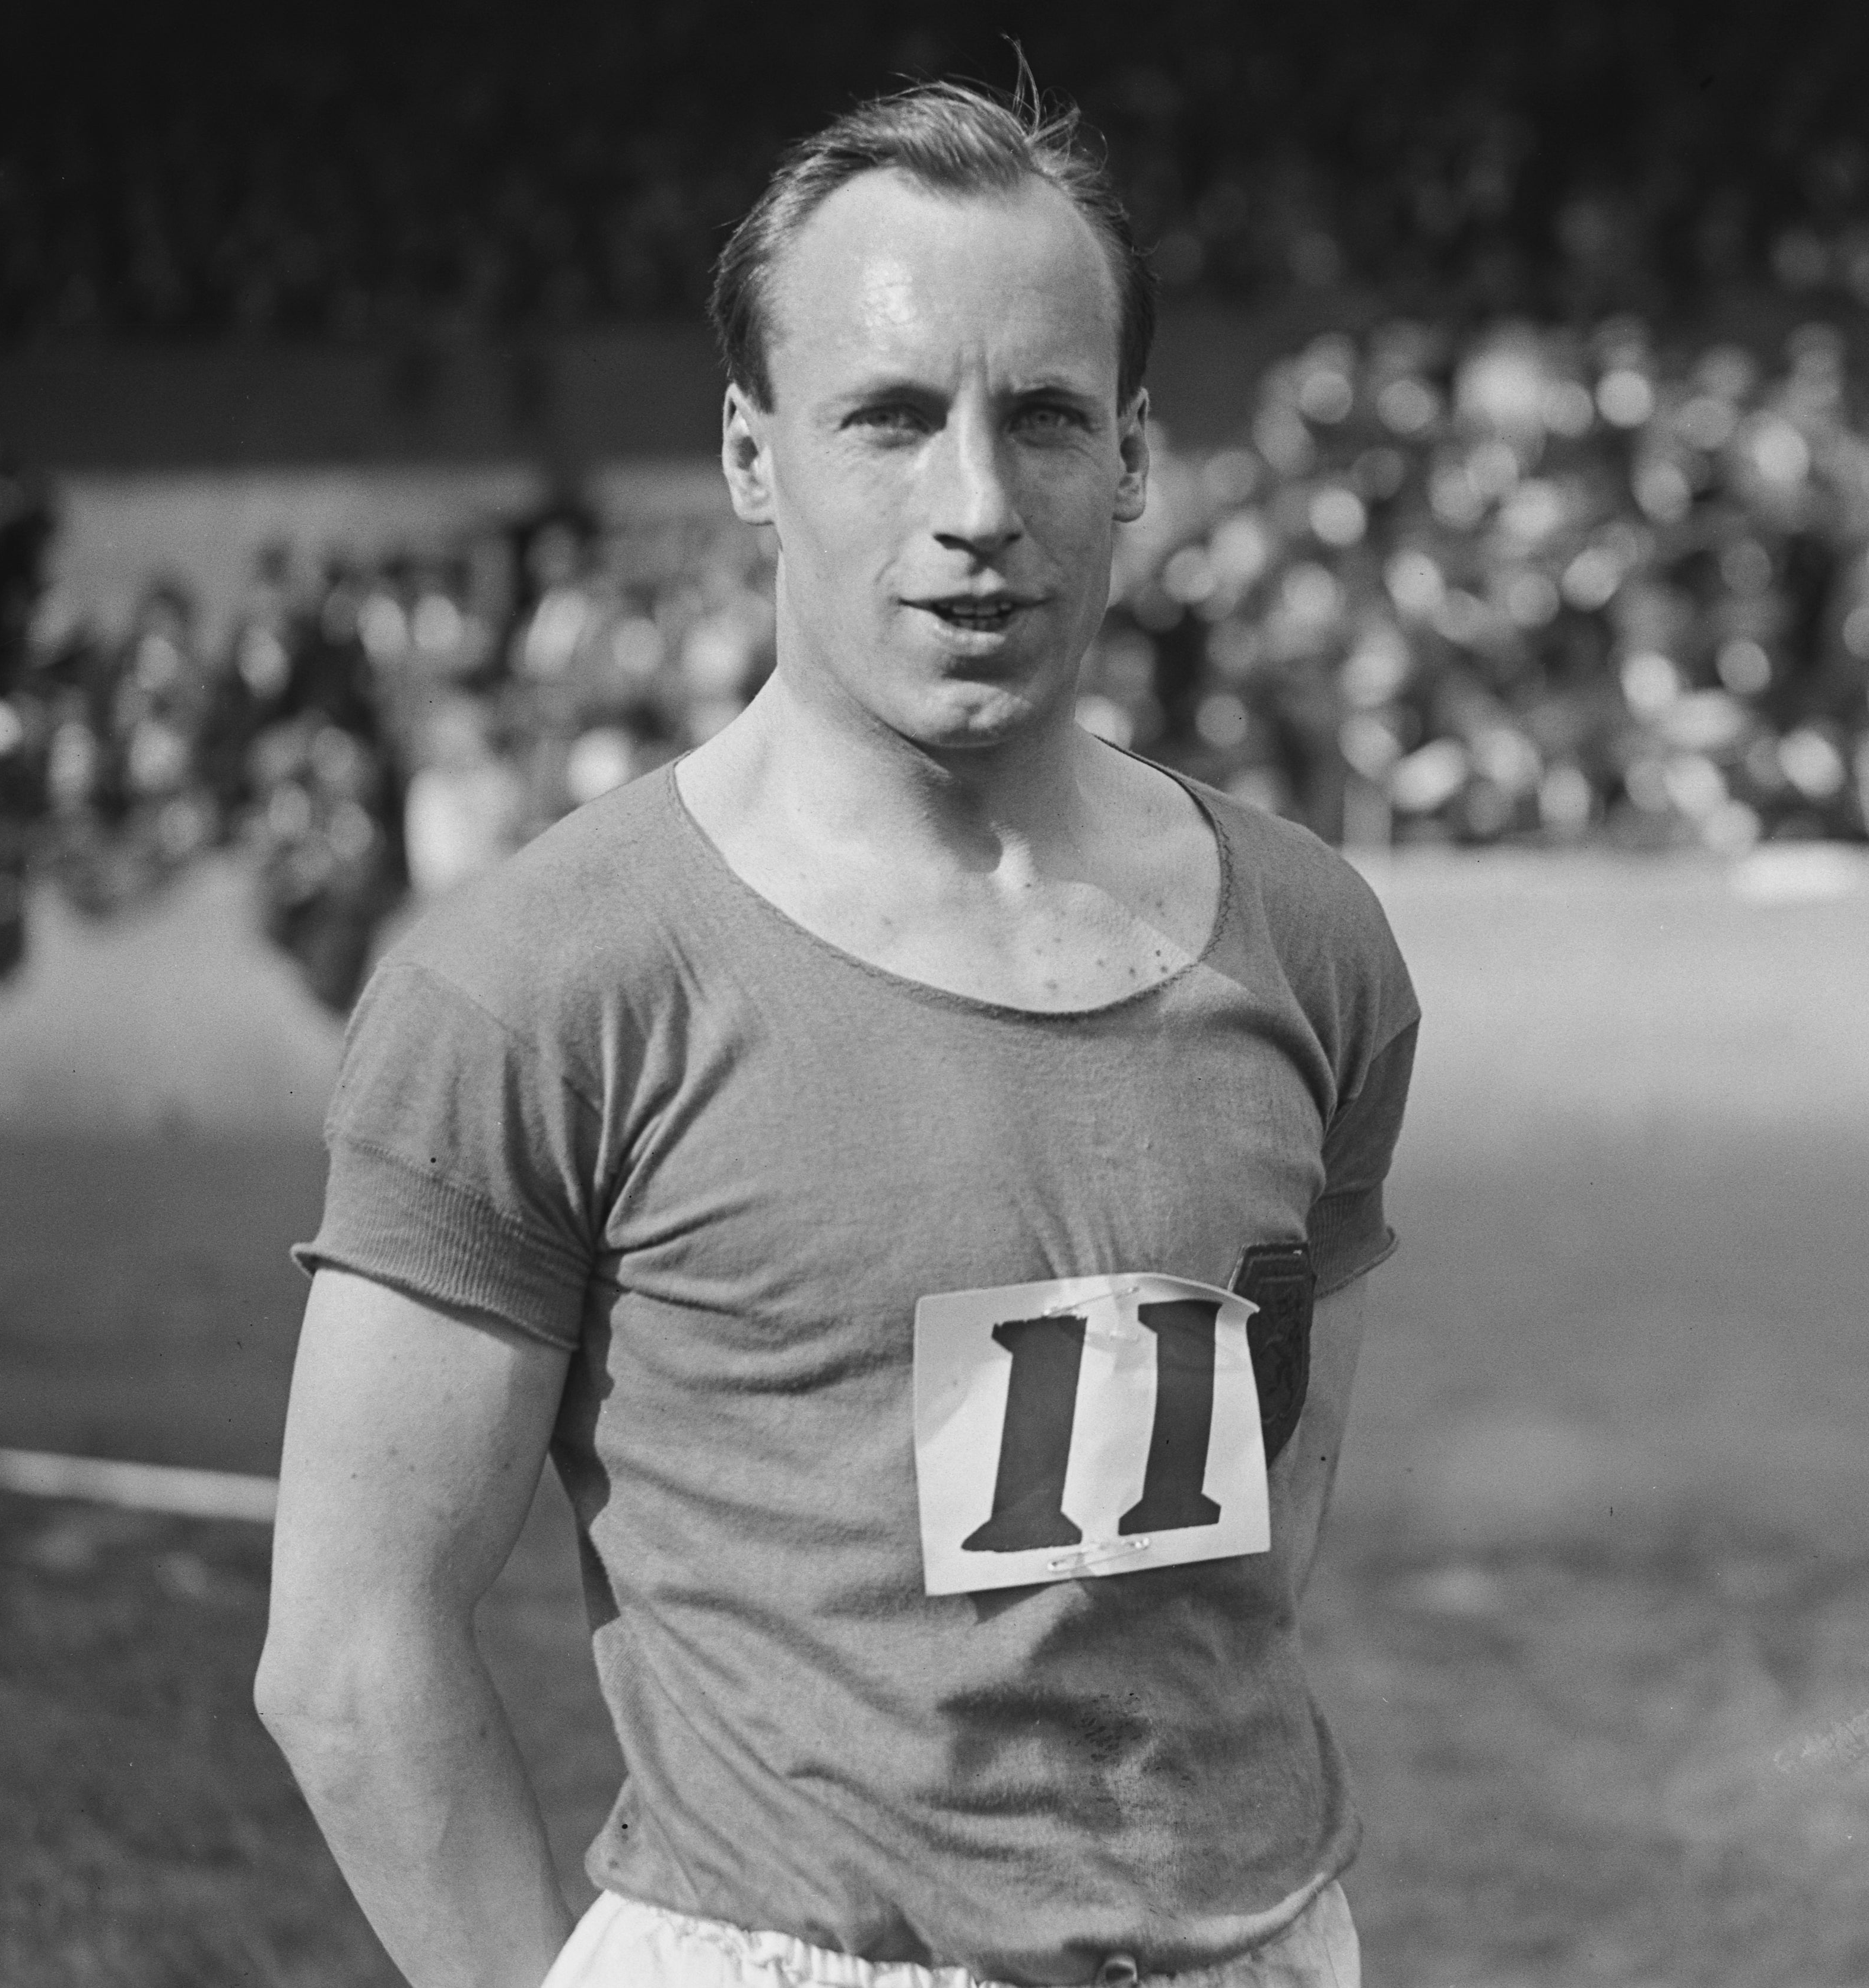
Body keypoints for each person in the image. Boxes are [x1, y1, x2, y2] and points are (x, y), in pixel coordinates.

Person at [255, 80, 1418, 1988]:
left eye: (1043, 417)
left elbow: (1262, 1544)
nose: (975, 507)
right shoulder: (542, 989)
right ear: (750, 454)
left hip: (1270, 1944)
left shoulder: (1309, 941)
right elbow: (350, 1662)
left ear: (1132, 455)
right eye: (887, 417)